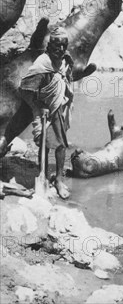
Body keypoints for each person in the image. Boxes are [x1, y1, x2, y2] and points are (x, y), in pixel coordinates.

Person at [19, 27, 74, 199]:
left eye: (64, 46)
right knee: (45, 144)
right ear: (49, 46)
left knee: (61, 144)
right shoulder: (42, 63)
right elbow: (25, 89)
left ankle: (58, 179)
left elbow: (67, 77)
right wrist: (38, 105)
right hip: (45, 109)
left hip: (60, 107)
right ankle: (42, 174)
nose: (61, 49)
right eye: (57, 46)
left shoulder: (65, 59)